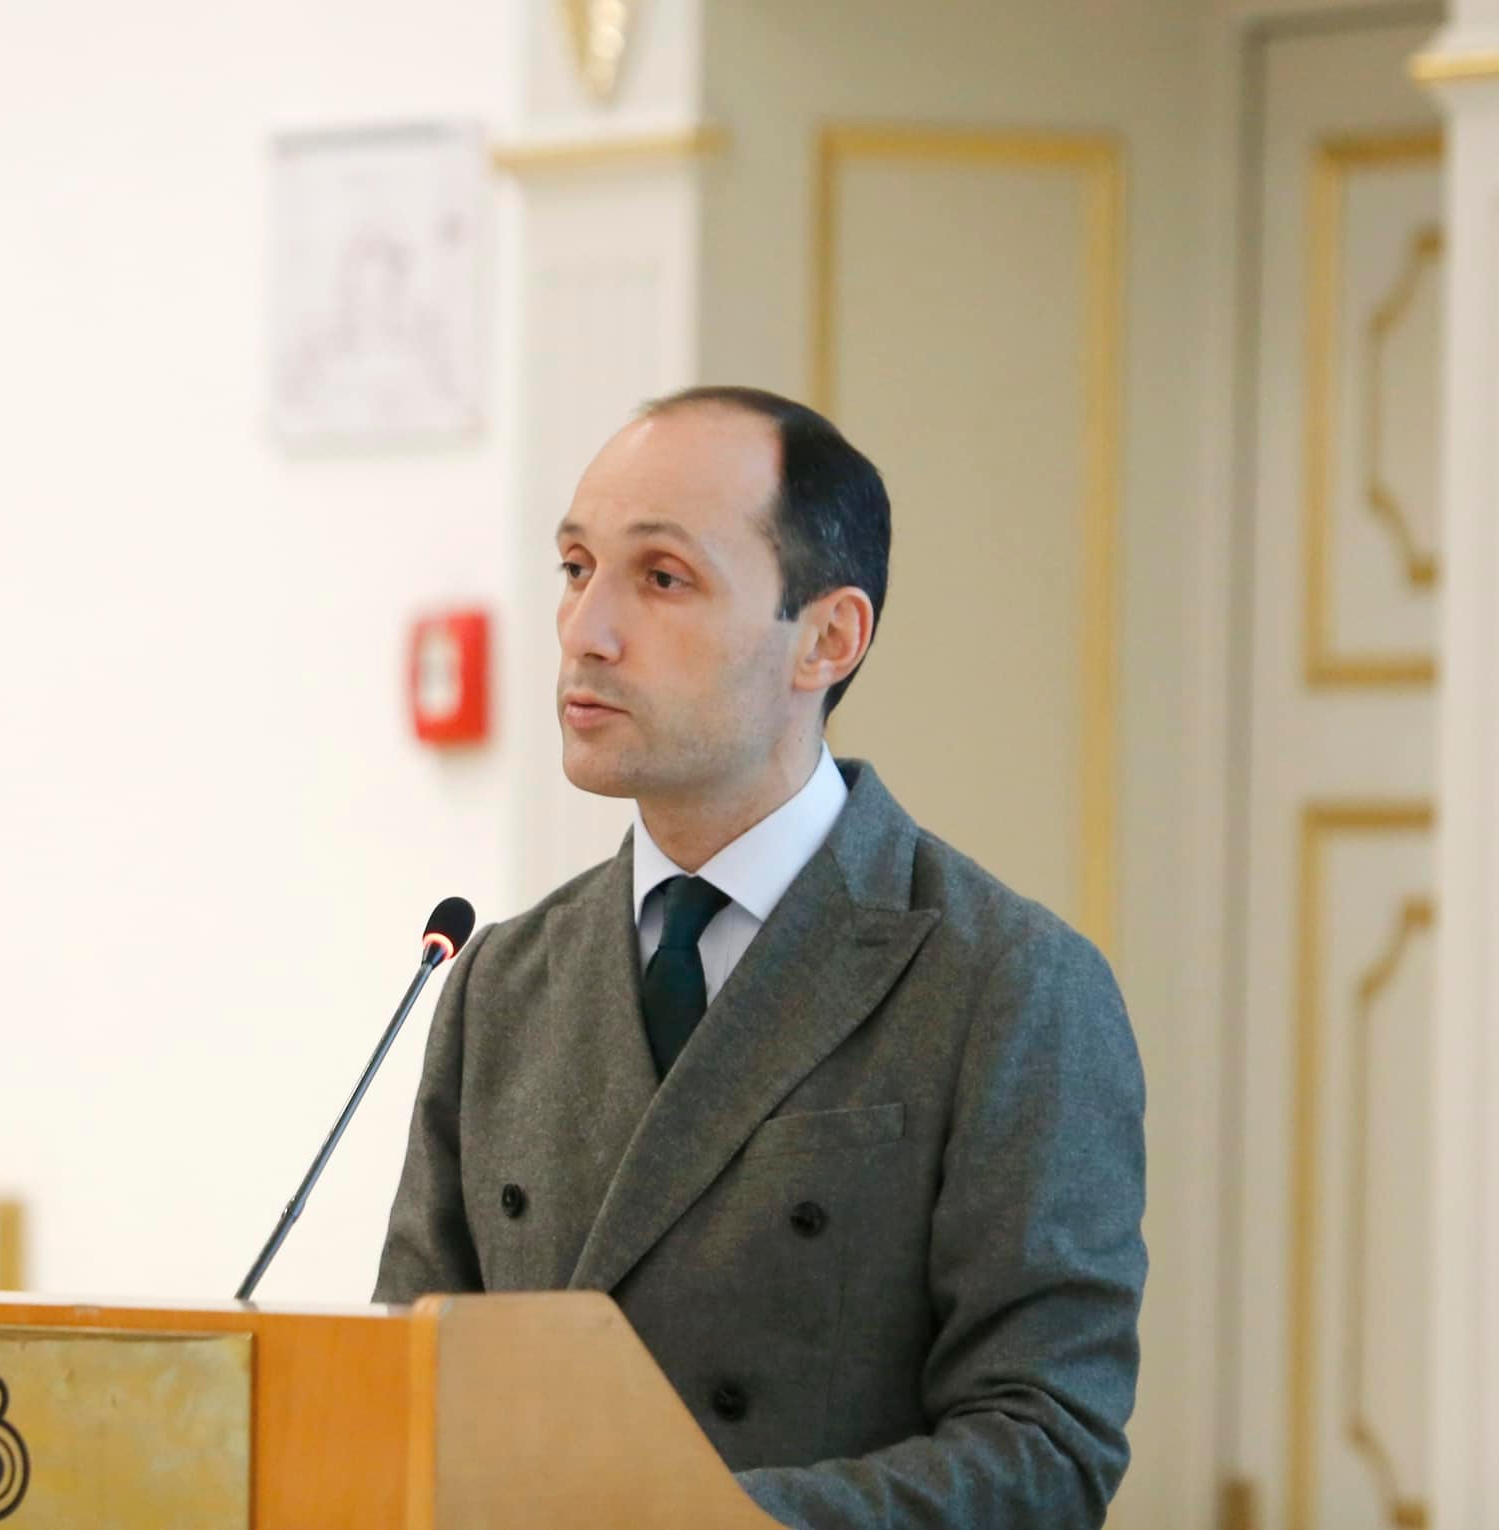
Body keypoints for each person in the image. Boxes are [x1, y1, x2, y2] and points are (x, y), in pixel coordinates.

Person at [372, 385, 1147, 1528]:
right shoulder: (501, 981)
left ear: (826, 639)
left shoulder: (1006, 983)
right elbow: (402, 1387)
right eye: (576, 567)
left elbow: (1045, 1450)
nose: (585, 629)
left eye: (660, 578)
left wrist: (687, 1520)